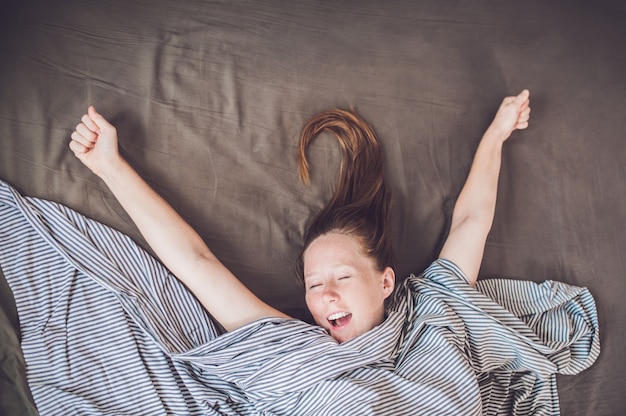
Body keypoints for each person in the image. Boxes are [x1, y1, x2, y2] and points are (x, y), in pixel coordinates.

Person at [69, 90, 531, 344]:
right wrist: (109, 166)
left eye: (343, 277)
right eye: (313, 285)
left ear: (386, 282)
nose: (326, 295)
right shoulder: (290, 345)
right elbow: (195, 262)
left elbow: (471, 222)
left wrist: (498, 132)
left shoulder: (432, 319)